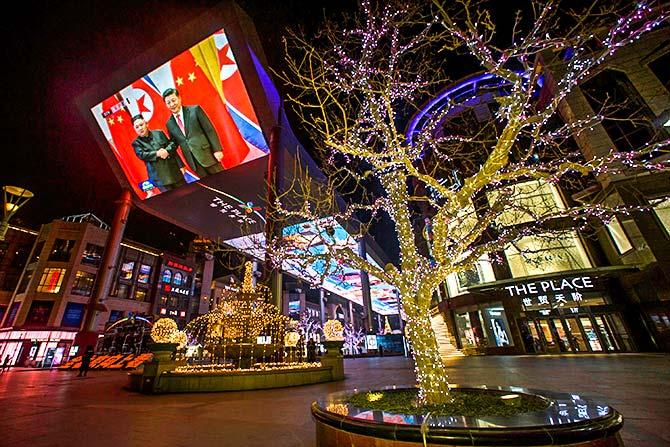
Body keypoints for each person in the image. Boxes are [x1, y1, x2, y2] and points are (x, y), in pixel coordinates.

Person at [162, 88, 224, 179]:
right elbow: (174, 143)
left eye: (173, 100)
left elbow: (209, 130)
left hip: (208, 155)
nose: (172, 104)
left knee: (223, 179)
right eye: (168, 103)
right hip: (193, 162)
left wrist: (217, 150)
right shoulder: (169, 124)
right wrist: (166, 150)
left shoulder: (195, 110)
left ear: (179, 98)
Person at [131, 115, 186, 192]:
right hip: (160, 179)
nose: (140, 128)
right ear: (135, 129)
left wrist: (181, 165)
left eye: (141, 125)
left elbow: (172, 150)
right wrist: (157, 153)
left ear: (146, 124)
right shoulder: (136, 143)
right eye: (137, 127)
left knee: (186, 192)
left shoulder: (159, 133)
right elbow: (142, 155)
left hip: (174, 172)